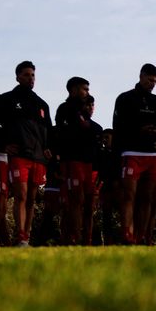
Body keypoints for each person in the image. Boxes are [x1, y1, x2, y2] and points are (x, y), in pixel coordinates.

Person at [0, 61, 52, 246]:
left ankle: (25, 238)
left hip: (38, 158)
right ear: (17, 77)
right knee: (21, 195)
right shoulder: (7, 99)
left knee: (31, 198)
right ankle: (20, 235)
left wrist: (49, 148)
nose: (30, 78)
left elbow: (49, 130)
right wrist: (2, 144)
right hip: (19, 155)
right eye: (26, 75)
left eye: (33, 75)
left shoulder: (42, 104)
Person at [112, 63, 156, 244]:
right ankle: (127, 234)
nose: (152, 84)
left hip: (152, 155)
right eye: (150, 80)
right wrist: (139, 130)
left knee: (147, 197)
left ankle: (141, 236)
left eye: (155, 81)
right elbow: (118, 127)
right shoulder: (125, 98)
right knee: (129, 195)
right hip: (131, 153)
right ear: (141, 76)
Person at [54, 77, 101, 246]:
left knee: (88, 204)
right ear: (73, 89)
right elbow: (62, 134)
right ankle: (72, 238)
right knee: (75, 201)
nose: (87, 92)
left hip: (90, 164)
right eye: (84, 89)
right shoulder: (65, 109)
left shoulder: (89, 119)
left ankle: (86, 240)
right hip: (72, 162)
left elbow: (92, 131)